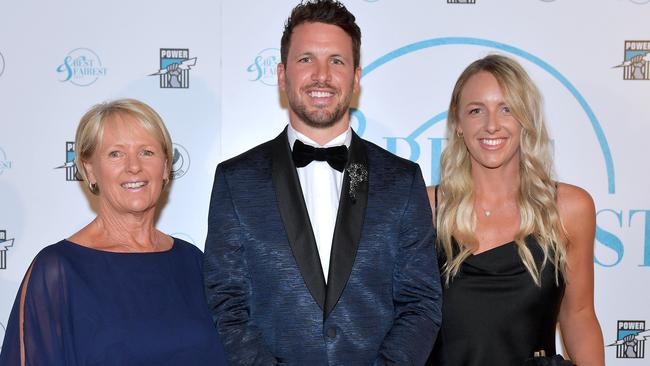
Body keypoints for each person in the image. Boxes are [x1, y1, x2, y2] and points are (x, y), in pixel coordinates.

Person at [203, 1, 442, 365]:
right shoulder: (236, 180)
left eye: (336, 61)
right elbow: (227, 302)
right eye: (306, 60)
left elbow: (421, 302)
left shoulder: (402, 181)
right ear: (282, 75)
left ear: (356, 77)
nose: (321, 75)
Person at [0, 99, 227, 365]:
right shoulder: (58, 270)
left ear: (165, 166)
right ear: (90, 170)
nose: (134, 166)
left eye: (147, 152)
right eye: (115, 154)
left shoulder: (193, 262)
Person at [426, 55, 605, 366]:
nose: (492, 124)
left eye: (506, 108)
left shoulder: (569, 209)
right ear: (457, 122)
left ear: (526, 119)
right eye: (476, 110)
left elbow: (578, 316)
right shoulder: (426, 208)